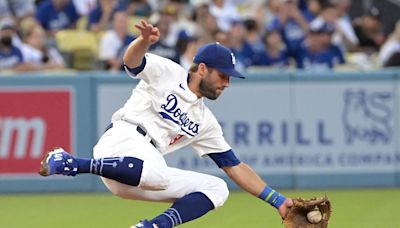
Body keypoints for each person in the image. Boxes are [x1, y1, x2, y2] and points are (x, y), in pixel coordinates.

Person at [38, 20, 293, 228]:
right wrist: (143, 41)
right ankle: (72, 162)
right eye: (223, 75)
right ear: (202, 69)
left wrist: (278, 201)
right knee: (157, 172)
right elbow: (132, 62)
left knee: (217, 188)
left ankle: (153, 227)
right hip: (122, 141)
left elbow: (234, 167)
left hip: (137, 174)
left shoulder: (206, 122)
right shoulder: (169, 72)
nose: (227, 83)